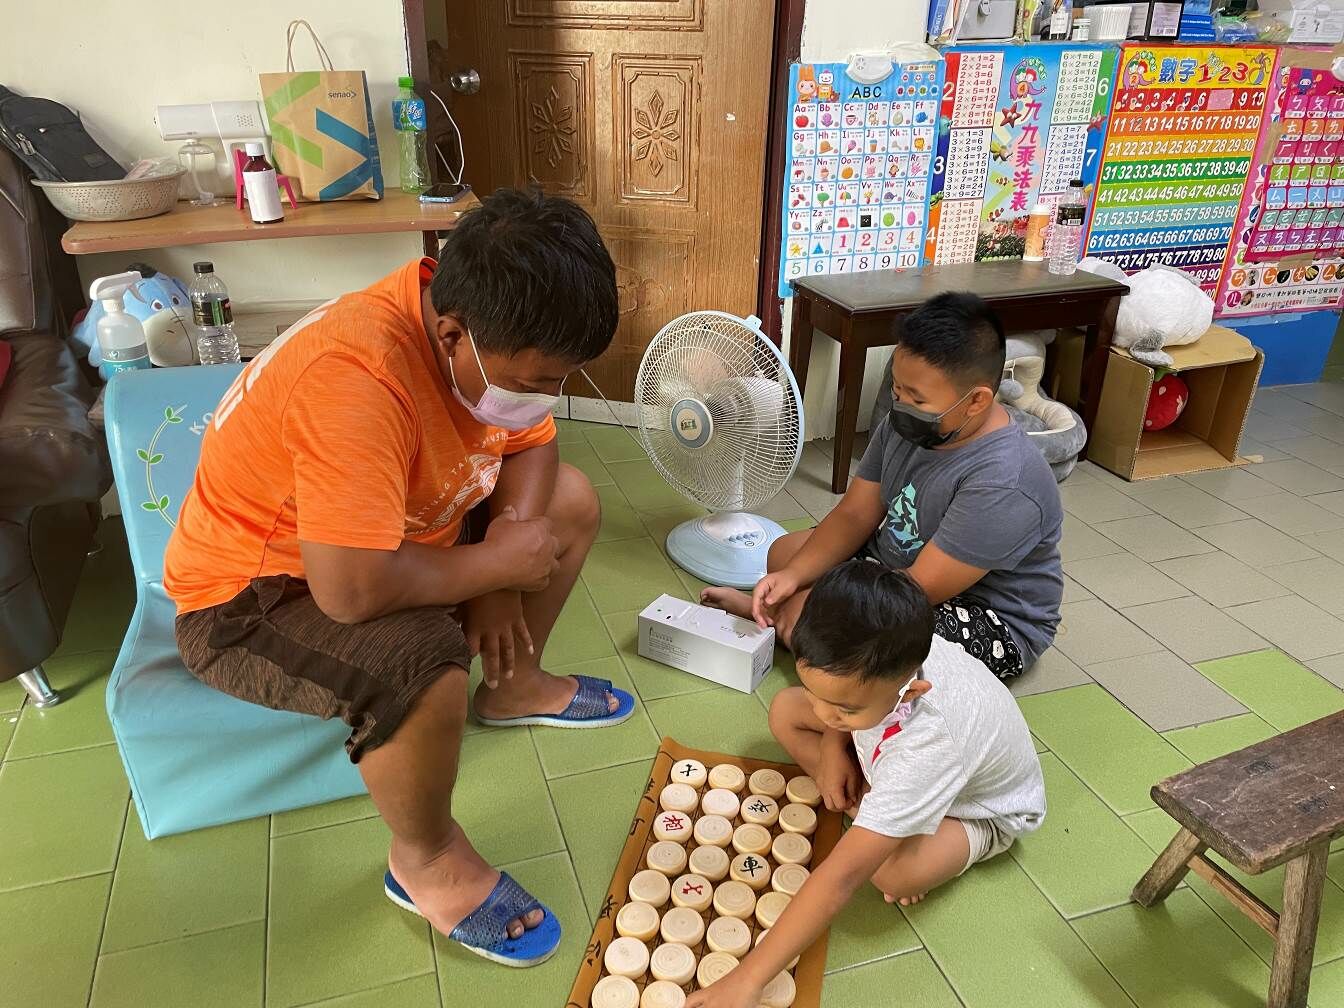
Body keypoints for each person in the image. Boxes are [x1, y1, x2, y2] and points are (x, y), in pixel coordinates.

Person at [163, 187, 628, 968]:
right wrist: (489, 566)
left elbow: (534, 444)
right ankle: (425, 860)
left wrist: (503, 565)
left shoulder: (484, 333)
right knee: (421, 668)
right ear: (452, 334)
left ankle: (514, 686)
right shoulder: (355, 377)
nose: (548, 396)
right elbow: (349, 590)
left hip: (391, 536)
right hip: (255, 595)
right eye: (541, 378)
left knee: (567, 504)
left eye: (563, 379)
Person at [685, 561, 1045, 1008]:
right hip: (890, 746)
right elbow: (827, 706)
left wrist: (749, 978)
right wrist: (837, 740)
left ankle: (888, 823)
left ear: (909, 692)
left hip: (979, 811)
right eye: (813, 690)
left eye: (843, 708)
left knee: (891, 872)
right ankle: (884, 815)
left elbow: (840, 880)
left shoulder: (929, 744)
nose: (822, 712)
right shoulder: (885, 655)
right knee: (784, 712)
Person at [704, 291, 1063, 681]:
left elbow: (921, 590)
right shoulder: (908, 425)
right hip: (897, 568)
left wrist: (815, 603)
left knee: (838, 627)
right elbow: (856, 513)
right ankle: (788, 619)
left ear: (976, 400)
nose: (900, 404)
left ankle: (782, 622)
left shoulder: (1004, 480)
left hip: (985, 615)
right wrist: (792, 578)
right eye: (897, 389)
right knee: (784, 555)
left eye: (917, 398)